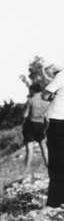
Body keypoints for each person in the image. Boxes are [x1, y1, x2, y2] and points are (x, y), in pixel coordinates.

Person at [43, 64, 64, 209]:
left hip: (59, 122)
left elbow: (45, 94)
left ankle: (55, 202)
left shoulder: (62, 75)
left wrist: (54, 95)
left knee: (56, 162)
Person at [22, 82, 49, 174]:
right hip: (41, 124)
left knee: (30, 149)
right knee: (44, 147)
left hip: (30, 125)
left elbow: (25, 115)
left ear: (32, 90)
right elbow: (46, 116)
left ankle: (26, 170)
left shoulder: (30, 101)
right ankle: (48, 165)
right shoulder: (45, 102)